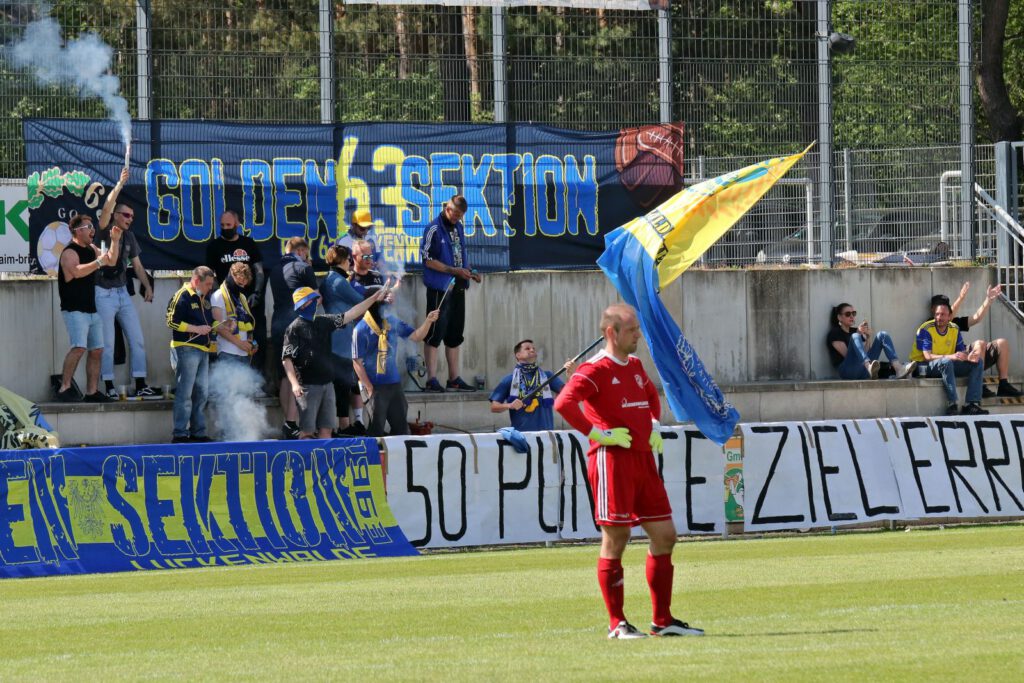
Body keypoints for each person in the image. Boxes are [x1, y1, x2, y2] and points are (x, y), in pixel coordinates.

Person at [554, 303, 703, 639]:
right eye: (633, 330)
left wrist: (652, 424)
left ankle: (662, 621)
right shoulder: (594, 370)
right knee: (616, 538)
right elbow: (563, 403)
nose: (639, 335)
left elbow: (651, 396)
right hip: (612, 462)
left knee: (665, 535)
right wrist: (598, 434)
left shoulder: (634, 365)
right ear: (612, 333)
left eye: (637, 328)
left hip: (643, 460)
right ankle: (616, 624)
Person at [281, 286, 384, 439]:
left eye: (315, 300)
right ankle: (309, 462)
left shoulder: (323, 321)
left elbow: (350, 314)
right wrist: (295, 384)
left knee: (327, 429)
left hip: (328, 384)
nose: (315, 303)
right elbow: (286, 359)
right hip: (307, 386)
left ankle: (324, 462)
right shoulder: (294, 328)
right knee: (307, 432)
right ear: (303, 305)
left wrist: (374, 298)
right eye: (311, 300)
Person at [95, 168, 161, 400]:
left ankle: (141, 383)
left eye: (132, 217)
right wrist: (119, 185)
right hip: (102, 292)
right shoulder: (104, 231)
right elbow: (104, 209)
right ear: (116, 215)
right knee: (108, 343)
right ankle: (109, 385)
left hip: (122, 292)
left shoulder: (130, 237)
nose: (129, 219)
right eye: (126, 215)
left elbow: (138, 266)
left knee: (137, 339)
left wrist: (148, 286)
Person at [352, 287, 440, 437]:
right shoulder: (360, 329)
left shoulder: (391, 322)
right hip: (374, 385)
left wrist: (428, 321)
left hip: (394, 383)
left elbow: (416, 336)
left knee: (401, 428)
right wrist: (370, 388)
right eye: (384, 298)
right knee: (376, 429)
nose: (388, 302)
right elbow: (356, 362)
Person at [56, 214, 121, 402]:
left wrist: (115, 241)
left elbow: (111, 260)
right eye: (88, 226)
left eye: (92, 226)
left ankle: (92, 392)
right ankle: (64, 387)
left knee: (97, 349)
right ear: (77, 231)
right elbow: (76, 272)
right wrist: (99, 262)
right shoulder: (69, 252)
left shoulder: (92, 249)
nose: (92, 230)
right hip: (74, 310)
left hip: (92, 310)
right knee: (78, 347)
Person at [420, 195, 481, 393]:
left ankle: (454, 378)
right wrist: (454, 271)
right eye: (454, 214)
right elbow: (428, 260)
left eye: (460, 216)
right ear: (447, 208)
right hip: (440, 288)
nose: (456, 218)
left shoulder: (459, 228)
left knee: (455, 334)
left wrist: (470, 272)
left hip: (458, 287)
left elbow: (460, 257)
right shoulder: (433, 229)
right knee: (434, 333)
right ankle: (431, 379)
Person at [205, 210, 266, 371]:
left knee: (256, 340)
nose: (225, 228)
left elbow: (259, 271)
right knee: (228, 336)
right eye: (222, 225)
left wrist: (257, 293)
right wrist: (220, 297)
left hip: (249, 301)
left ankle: (257, 381)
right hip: (226, 302)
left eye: (229, 225)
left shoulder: (248, 243)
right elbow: (209, 275)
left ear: (237, 225)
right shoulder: (214, 246)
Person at [270, 237, 317, 438]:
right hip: (298, 324)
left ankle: (288, 423)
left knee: (284, 375)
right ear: (301, 251)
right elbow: (316, 297)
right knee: (296, 375)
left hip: (278, 322)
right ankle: (291, 423)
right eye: (306, 253)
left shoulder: (274, 269)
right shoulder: (303, 268)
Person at [939, 282, 1022, 398]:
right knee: (979, 343)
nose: (943, 312)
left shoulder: (954, 322)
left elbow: (976, 318)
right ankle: (979, 384)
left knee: (1002, 343)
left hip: (967, 357)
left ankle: (1003, 384)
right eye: (941, 309)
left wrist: (988, 300)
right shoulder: (932, 324)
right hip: (954, 361)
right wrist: (961, 298)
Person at [166, 266, 219, 443]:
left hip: (203, 349)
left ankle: (198, 432)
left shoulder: (205, 297)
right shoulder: (182, 295)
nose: (210, 287)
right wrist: (196, 329)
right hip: (185, 348)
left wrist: (220, 326)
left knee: (202, 393)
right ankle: (180, 434)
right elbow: (171, 321)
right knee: (185, 393)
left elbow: (208, 320)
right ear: (196, 281)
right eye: (208, 284)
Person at [910, 299, 989, 416]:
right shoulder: (925, 328)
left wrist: (968, 356)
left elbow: (960, 352)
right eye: (937, 314)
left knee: (978, 363)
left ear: (949, 316)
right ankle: (952, 404)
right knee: (947, 362)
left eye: (942, 314)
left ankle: (971, 405)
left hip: (945, 364)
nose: (939, 317)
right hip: (922, 366)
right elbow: (927, 356)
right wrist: (951, 356)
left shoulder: (955, 329)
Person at [321, 245, 366, 434]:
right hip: (340, 339)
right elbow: (359, 299)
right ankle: (343, 425)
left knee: (346, 382)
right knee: (342, 383)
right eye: (348, 259)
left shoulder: (331, 279)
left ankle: (346, 423)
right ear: (340, 260)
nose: (351, 262)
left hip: (337, 336)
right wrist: (379, 294)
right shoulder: (338, 281)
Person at [489, 339, 576, 431]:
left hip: (547, 435)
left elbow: (569, 394)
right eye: (527, 348)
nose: (532, 350)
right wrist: (510, 405)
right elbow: (494, 407)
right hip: (522, 436)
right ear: (518, 355)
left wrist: (570, 376)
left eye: (533, 348)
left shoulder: (547, 376)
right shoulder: (509, 379)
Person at [826, 303, 917, 380]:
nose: (851, 316)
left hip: (864, 370)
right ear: (839, 317)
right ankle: (868, 366)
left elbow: (865, 353)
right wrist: (858, 334)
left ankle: (898, 368)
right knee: (855, 336)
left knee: (882, 334)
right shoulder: (835, 333)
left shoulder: (855, 331)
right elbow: (848, 356)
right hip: (847, 372)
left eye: (853, 313)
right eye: (847, 314)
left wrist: (867, 337)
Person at [210, 262, 255, 365]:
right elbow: (218, 327)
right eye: (239, 284)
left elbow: (246, 323)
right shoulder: (218, 296)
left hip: (244, 353)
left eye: (244, 285)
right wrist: (240, 344)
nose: (242, 287)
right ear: (231, 276)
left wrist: (250, 342)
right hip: (227, 353)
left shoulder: (242, 297)